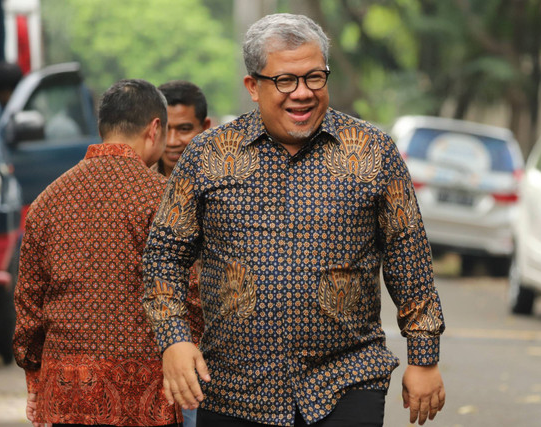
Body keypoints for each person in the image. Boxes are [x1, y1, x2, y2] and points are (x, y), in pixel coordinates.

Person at [142, 13, 446, 427]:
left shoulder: (373, 153)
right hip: (234, 390)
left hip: (347, 381)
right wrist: (174, 341)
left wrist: (423, 359)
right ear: (253, 86)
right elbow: (164, 256)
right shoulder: (207, 157)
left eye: (314, 78)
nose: (302, 93)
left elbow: (407, 257)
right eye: (286, 80)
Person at [13, 79, 181, 426]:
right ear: (155, 129)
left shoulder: (47, 200)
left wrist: (34, 377)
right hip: (145, 396)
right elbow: (187, 291)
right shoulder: (163, 197)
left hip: (65, 394)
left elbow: (29, 304)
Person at [156, 80, 212, 427]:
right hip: (156, 352)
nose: (175, 141)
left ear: (205, 128)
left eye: (185, 129)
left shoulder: (225, 187)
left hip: (216, 352)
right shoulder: (142, 192)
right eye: (167, 129)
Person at [156, 80, 212, 177]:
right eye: (164, 128)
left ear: (205, 127)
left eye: (184, 129)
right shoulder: (136, 179)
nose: (172, 142)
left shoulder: (223, 182)